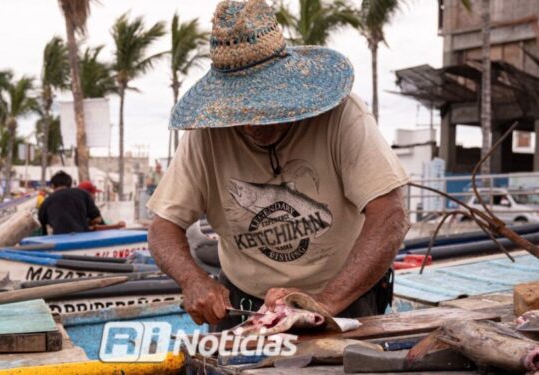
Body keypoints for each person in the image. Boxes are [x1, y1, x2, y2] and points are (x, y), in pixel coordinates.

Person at [147, 0, 409, 330]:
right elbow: (162, 228)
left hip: (343, 295)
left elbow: (390, 215)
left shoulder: (343, 116)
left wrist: (322, 305)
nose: (255, 123)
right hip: (245, 299)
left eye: (268, 108)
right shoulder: (206, 138)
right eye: (243, 112)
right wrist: (192, 279)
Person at [38, 172, 103, 235]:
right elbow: (97, 219)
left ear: (52, 185)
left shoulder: (46, 202)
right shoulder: (83, 194)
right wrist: (84, 223)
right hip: (82, 237)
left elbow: (43, 226)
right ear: (70, 184)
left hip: (60, 239)